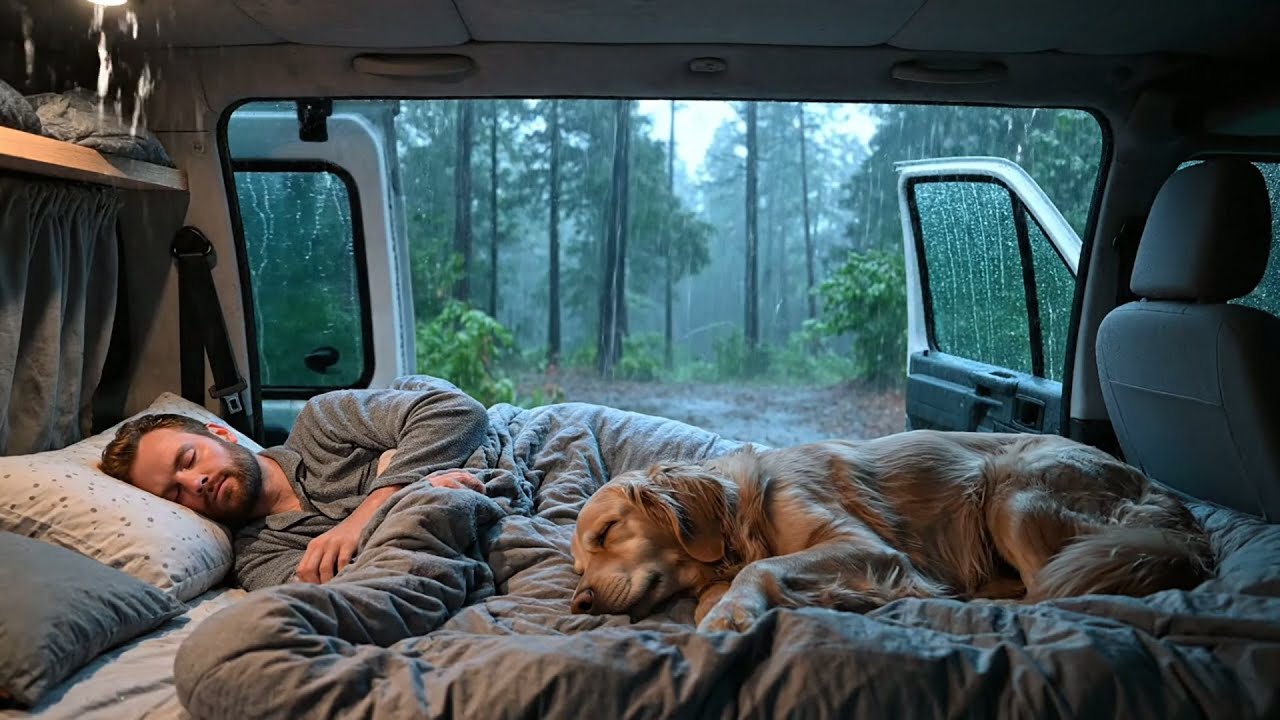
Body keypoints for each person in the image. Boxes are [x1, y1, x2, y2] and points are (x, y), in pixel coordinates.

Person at [99, 376, 491, 591]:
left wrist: (368, 512)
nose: (195, 483)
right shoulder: (257, 558)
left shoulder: (322, 423)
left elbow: (456, 412)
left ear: (223, 434)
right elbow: (360, 590)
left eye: (188, 460)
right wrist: (414, 495)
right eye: (175, 493)